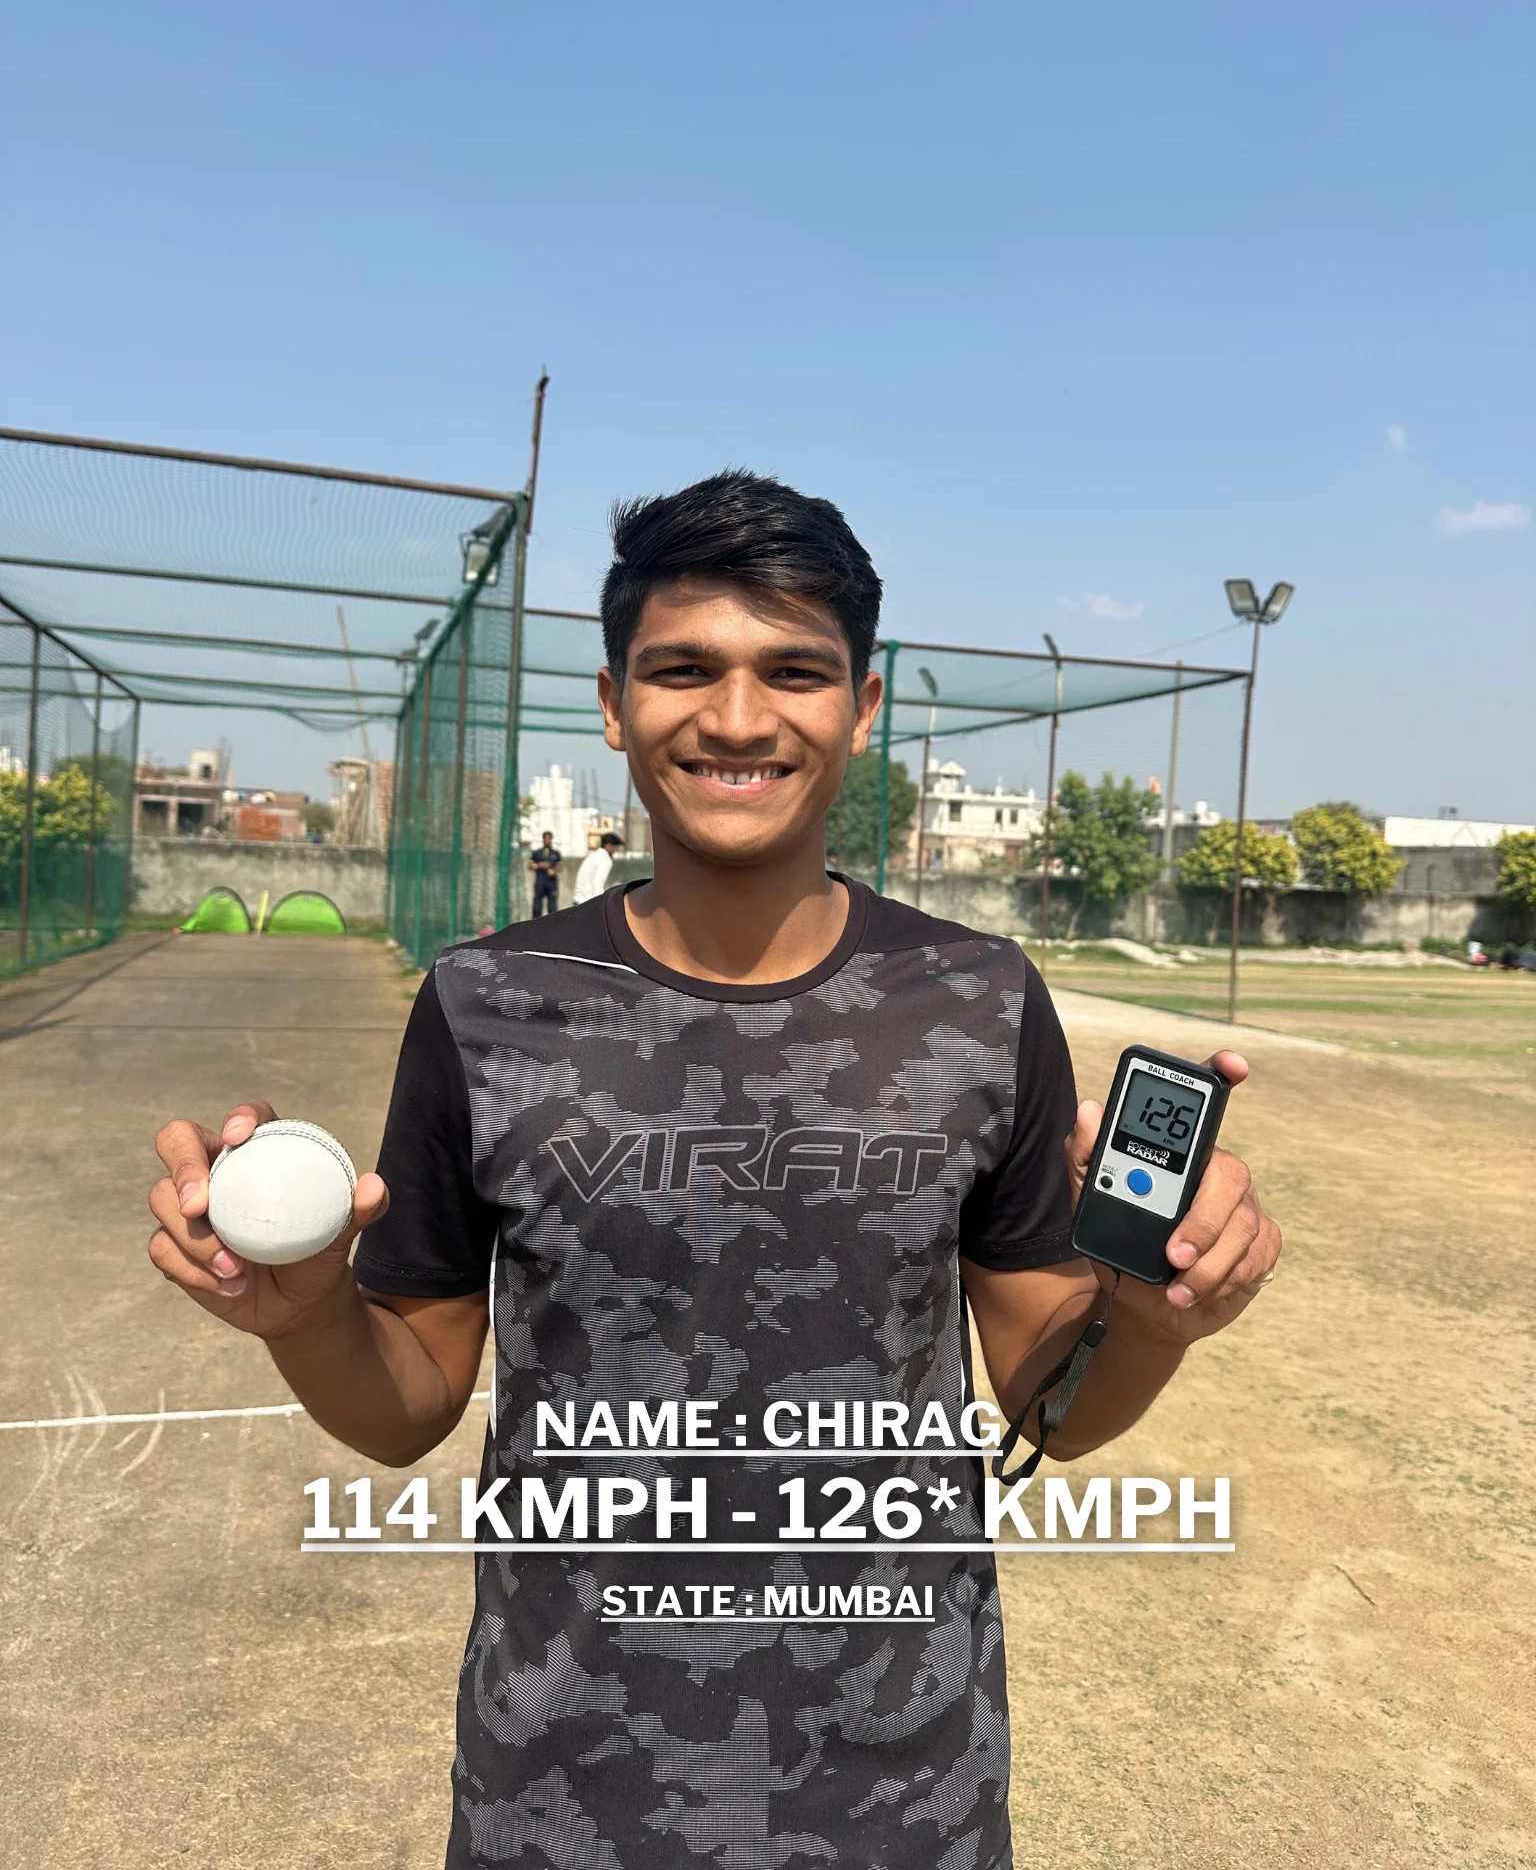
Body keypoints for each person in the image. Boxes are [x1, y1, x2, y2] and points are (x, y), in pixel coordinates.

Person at [146, 470, 1280, 1870]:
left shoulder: (978, 1001)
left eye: (793, 671)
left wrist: (1154, 1321)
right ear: (616, 702)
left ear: (862, 707)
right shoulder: (487, 1004)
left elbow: (1056, 1398)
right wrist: (307, 1310)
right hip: (560, 1798)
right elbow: (408, 1406)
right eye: (684, 669)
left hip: (903, 1802)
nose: (738, 719)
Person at [571, 828, 624, 906]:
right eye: (615, 847)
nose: (615, 850)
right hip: (587, 902)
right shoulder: (605, 860)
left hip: (577, 900)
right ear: (608, 845)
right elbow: (597, 884)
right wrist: (600, 906)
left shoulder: (593, 855)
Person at [527, 830, 561, 916]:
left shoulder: (555, 853)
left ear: (551, 839)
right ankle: (536, 924)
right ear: (543, 839)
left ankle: (552, 925)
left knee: (552, 907)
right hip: (540, 882)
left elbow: (559, 866)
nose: (547, 840)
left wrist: (554, 871)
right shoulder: (536, 853)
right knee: (537, 906)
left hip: (551, 883)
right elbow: (530, 865)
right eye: (545, 838)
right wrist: (539, 865)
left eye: (549, 838)